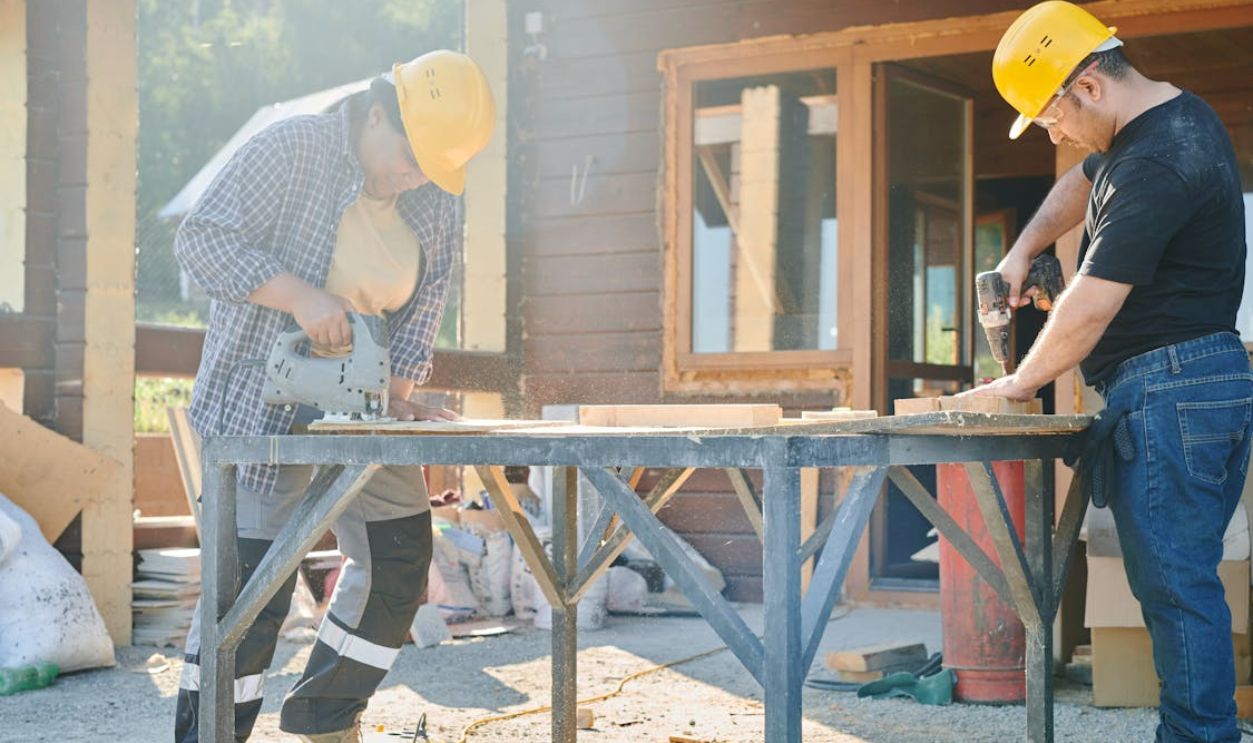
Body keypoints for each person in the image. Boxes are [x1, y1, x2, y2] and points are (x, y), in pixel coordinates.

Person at [171, 50, 495, 743]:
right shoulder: (293, 149)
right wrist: (300, 298)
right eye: (408, 157)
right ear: (377, 113)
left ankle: (326, 714)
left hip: (366, 410)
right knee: (250, 596)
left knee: (398, 566)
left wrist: (401, 393)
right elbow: (201, 241)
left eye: (428, 167)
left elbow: (425, 302)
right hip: (259, 405)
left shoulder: (433, 197)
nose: (412, 176)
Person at [969, 2, 1250, 740]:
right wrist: (1021, 251)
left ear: (1088, 84)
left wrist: (1017, 382)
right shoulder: (1152, 130)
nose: (1052, 134)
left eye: (1051, 116)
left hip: (1172, 383)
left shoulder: (1160, 158)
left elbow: (1089, 305)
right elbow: (1079, 180)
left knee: (1174, 586)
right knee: (1174, 581)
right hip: (1182, 380)